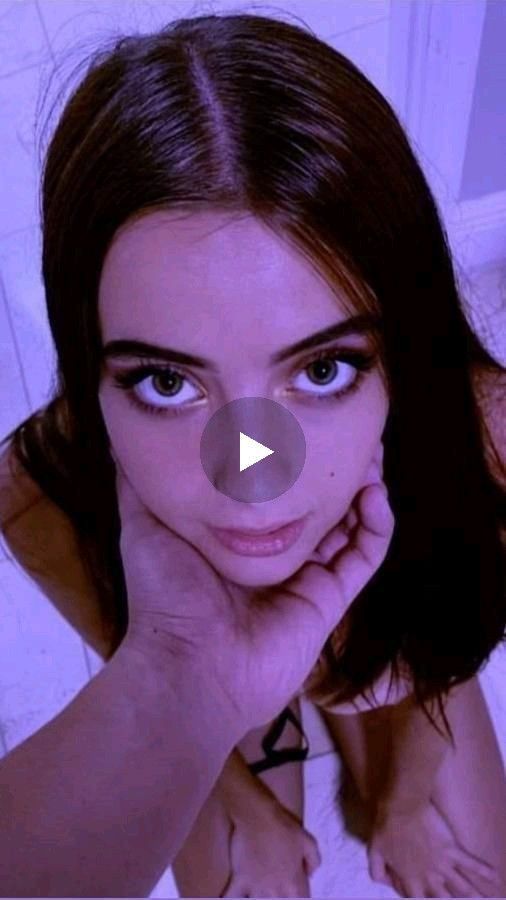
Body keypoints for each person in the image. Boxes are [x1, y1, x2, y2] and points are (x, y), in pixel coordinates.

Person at [0, 8, 505, 898]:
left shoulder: (484, 431)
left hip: (399, 649)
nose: (255, 483)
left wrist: (399, 807)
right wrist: (209, 732)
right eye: (167, 382)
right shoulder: (42, 484)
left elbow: (453, 647)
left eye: (323, 367)